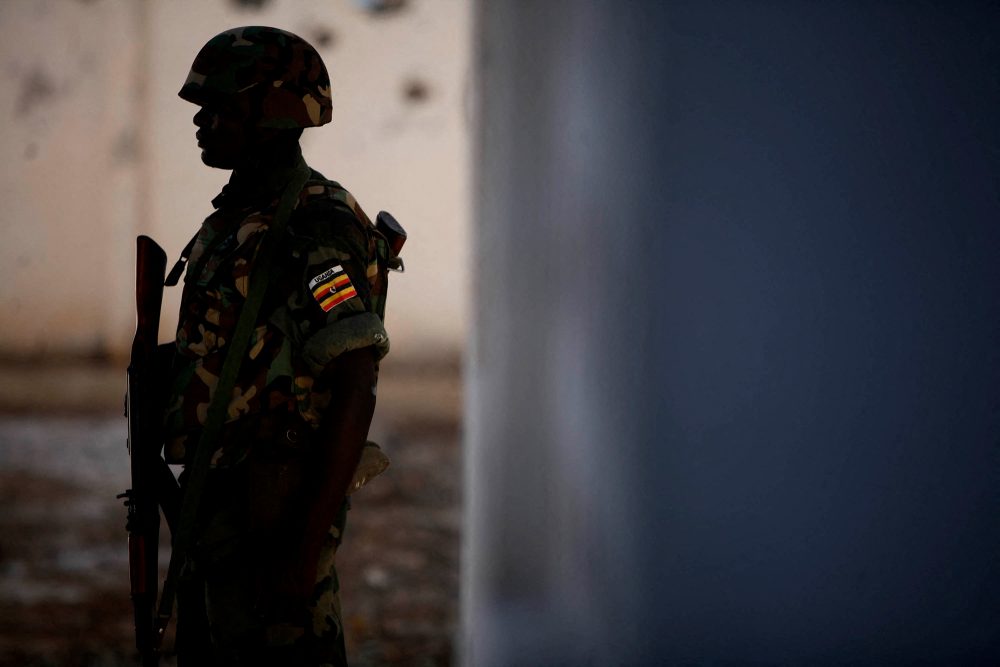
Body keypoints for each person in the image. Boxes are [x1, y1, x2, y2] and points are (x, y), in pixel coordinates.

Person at [161, 26, 393, 666]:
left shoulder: (315, 224)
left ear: (277, 112)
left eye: (221, 106)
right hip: (223, 508)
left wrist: (302, 548)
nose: (203, 122)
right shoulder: (238, 216)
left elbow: (355, 381)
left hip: (276, 511)